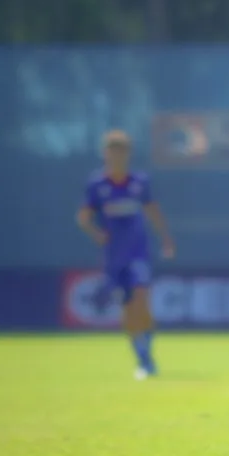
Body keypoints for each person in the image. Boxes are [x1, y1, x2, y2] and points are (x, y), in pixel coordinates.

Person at [76, 130, 175, 380]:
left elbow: (153, 210)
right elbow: (84, 217)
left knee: (141, 301)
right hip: (113, 257)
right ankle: (143, 358)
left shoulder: (139, 182)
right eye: (112, 150)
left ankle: (146, 351)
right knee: (128, 309)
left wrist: (165, 237)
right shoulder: (97, 185)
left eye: (122, 151)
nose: (117, 156)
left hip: (137, 253)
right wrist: (96, 233)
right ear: (105, 153)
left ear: (128, 154)